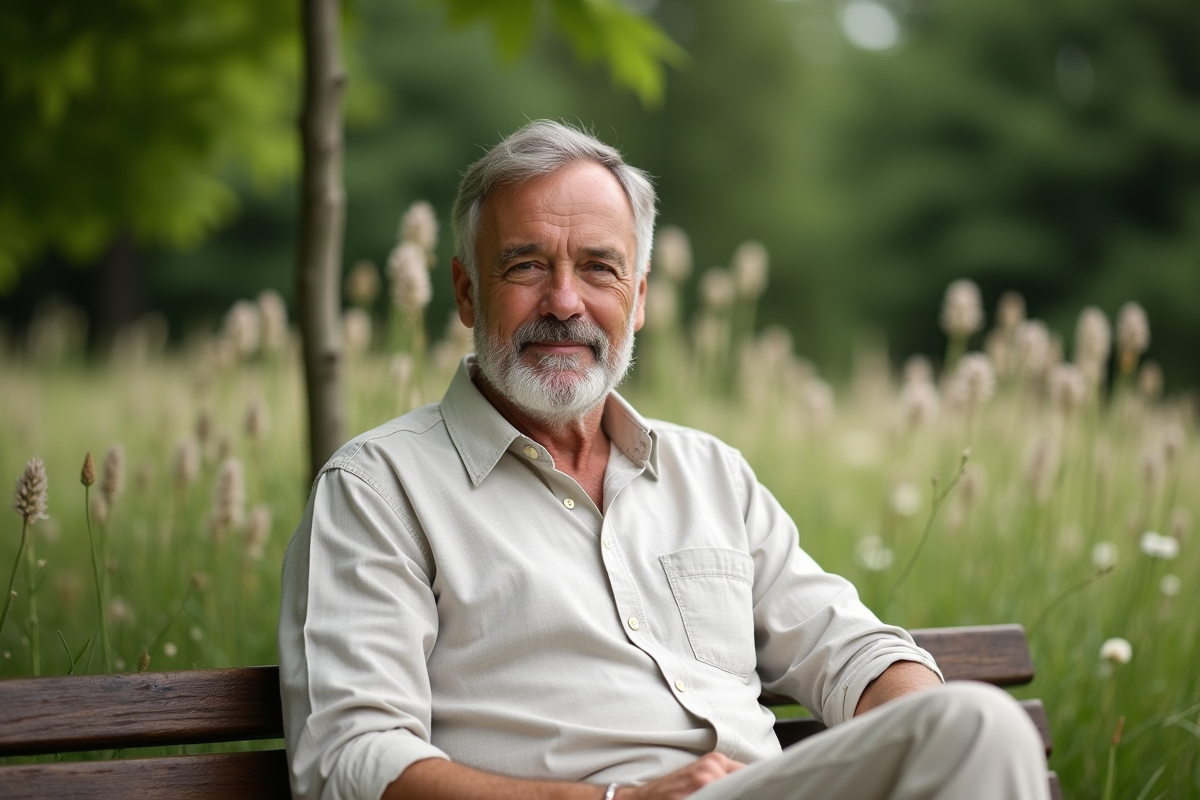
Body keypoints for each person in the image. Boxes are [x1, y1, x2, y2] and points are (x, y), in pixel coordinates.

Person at [278, 120, 1049, 800]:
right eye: (525, 266)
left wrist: (919, 731)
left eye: (599, 269)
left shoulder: (710, 476)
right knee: (981, 728)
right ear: (466, 294)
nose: (564, 302)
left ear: (640, 298)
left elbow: (852, 651)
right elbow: (352, 762)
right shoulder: (379, 490)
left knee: (977, 726)